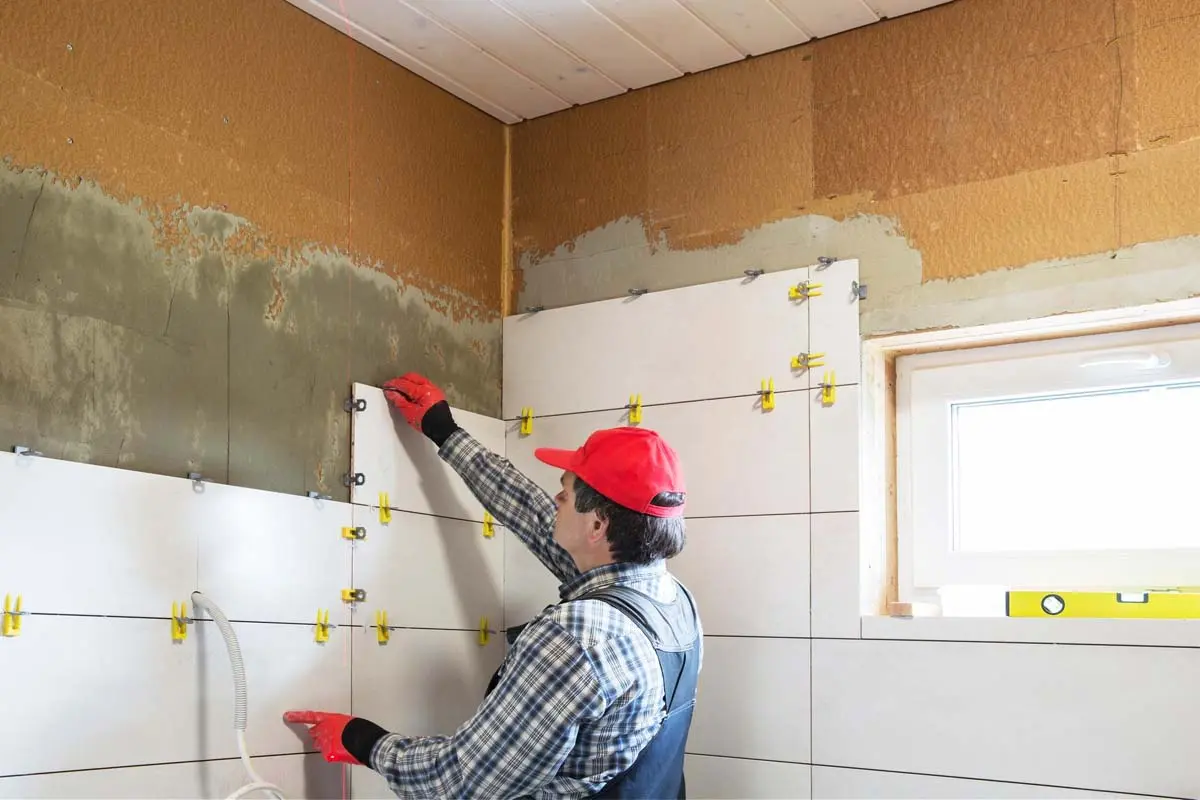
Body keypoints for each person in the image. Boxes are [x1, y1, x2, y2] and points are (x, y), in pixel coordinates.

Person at [285, 373, 703, 798]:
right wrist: (443, 431)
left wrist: (363, 741)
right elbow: (533, 514)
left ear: (597, 524)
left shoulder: (580, 636)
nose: (555, 499)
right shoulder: (670, 604)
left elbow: (464, 782)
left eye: (566, 490)